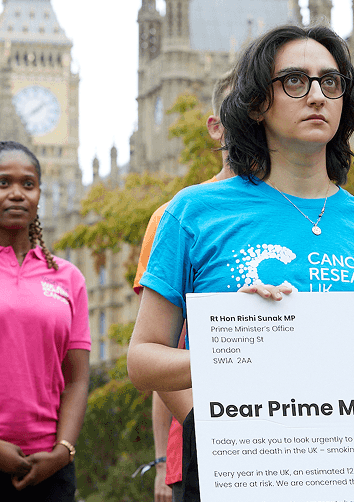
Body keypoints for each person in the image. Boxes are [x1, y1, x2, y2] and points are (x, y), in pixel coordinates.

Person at [127, 24, 354, 502]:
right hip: (242, 460)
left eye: (331, 81)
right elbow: (142, 360)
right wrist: (243, 351)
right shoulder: (194, 212)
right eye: (296, 81)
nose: (317, 95)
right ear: (258, 102)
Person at [0, 141, 90, 501]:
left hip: (50, 466)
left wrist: (63, 450)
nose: (17, 193)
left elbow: (76, 378)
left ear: (40, 193)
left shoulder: (69, 277)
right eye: (3, 183)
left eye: (28, 184)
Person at [133, 68, 235, 502]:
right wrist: (209, 422)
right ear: (217, 126)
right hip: (203, 448)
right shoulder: (178, 214)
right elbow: (156, 349)